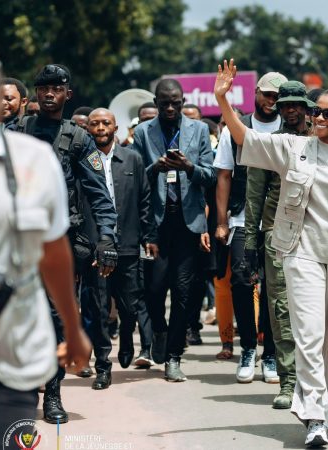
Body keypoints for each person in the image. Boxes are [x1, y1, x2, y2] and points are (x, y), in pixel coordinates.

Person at [215, 59, 328, 446]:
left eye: (327, 113)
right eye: (315, 111)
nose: (318, 117)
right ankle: (314, 417)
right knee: (308, 336)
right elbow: (245, 138)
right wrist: (223, 101)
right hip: (300, 255)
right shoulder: (294, 149)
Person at [0, 40, 91, 449]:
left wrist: (74, 329)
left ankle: (50, 395)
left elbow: (54, 252)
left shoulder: (36, 160)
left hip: (15, 344)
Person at [14, 63, 118, 424]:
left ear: (67, 94)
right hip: (18, 240)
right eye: (42, 87)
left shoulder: (78, 138)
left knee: (58, 318)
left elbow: (99, 194)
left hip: (60, 242)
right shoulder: (17, 130)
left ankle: (53, 394)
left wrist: (106, 237)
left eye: (56, 88)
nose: (48, 93)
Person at [131, 78, 215, 382]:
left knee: (183, 293)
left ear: (183, 101)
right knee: (152, 290)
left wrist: (188, 167)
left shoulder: (200, 130)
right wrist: (159, 167)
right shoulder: (142, 132)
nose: (169, 107)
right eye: (164, 102)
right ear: (155, 102)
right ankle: (161, 333)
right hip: (154, 225)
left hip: (187, 224)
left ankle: (174, 356)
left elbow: (210, 176)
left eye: (175, 102)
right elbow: (136, 177)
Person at [244, 80, 315, 408]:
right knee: (282, 309)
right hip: (277, 236)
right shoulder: (269, 145)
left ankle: (314, 381)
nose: (289, 109)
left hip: (318, 235)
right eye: (284, 104)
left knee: (316, 311)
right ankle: (288, 382)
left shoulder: (322, 140)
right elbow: (254, 194)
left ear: (306, 107)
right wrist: (249, 240)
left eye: (295, 104)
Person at [215, 71, 285, 384]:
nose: (272, 101)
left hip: (279, 221)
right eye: (268, 94)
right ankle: (247, 349)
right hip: (243, 218)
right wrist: (221, 221)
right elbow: (224, 176)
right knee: (242, 282)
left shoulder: (290, 127)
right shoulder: (237, 126)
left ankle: (269, 353)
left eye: (278, 96)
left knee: (273, 286)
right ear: (256, 93)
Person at [87, 108, 157, 382]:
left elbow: (145, 202)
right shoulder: (84, 160)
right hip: (96, 247)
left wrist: (148, 236)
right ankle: (103, 366)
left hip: (128, 244)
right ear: (89, 129)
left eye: (106, 123)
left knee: (130, 304)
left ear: (116, 127)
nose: (101, 128)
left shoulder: (133, 159)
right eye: (95, 124)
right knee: (100, 306)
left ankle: (127, 335)